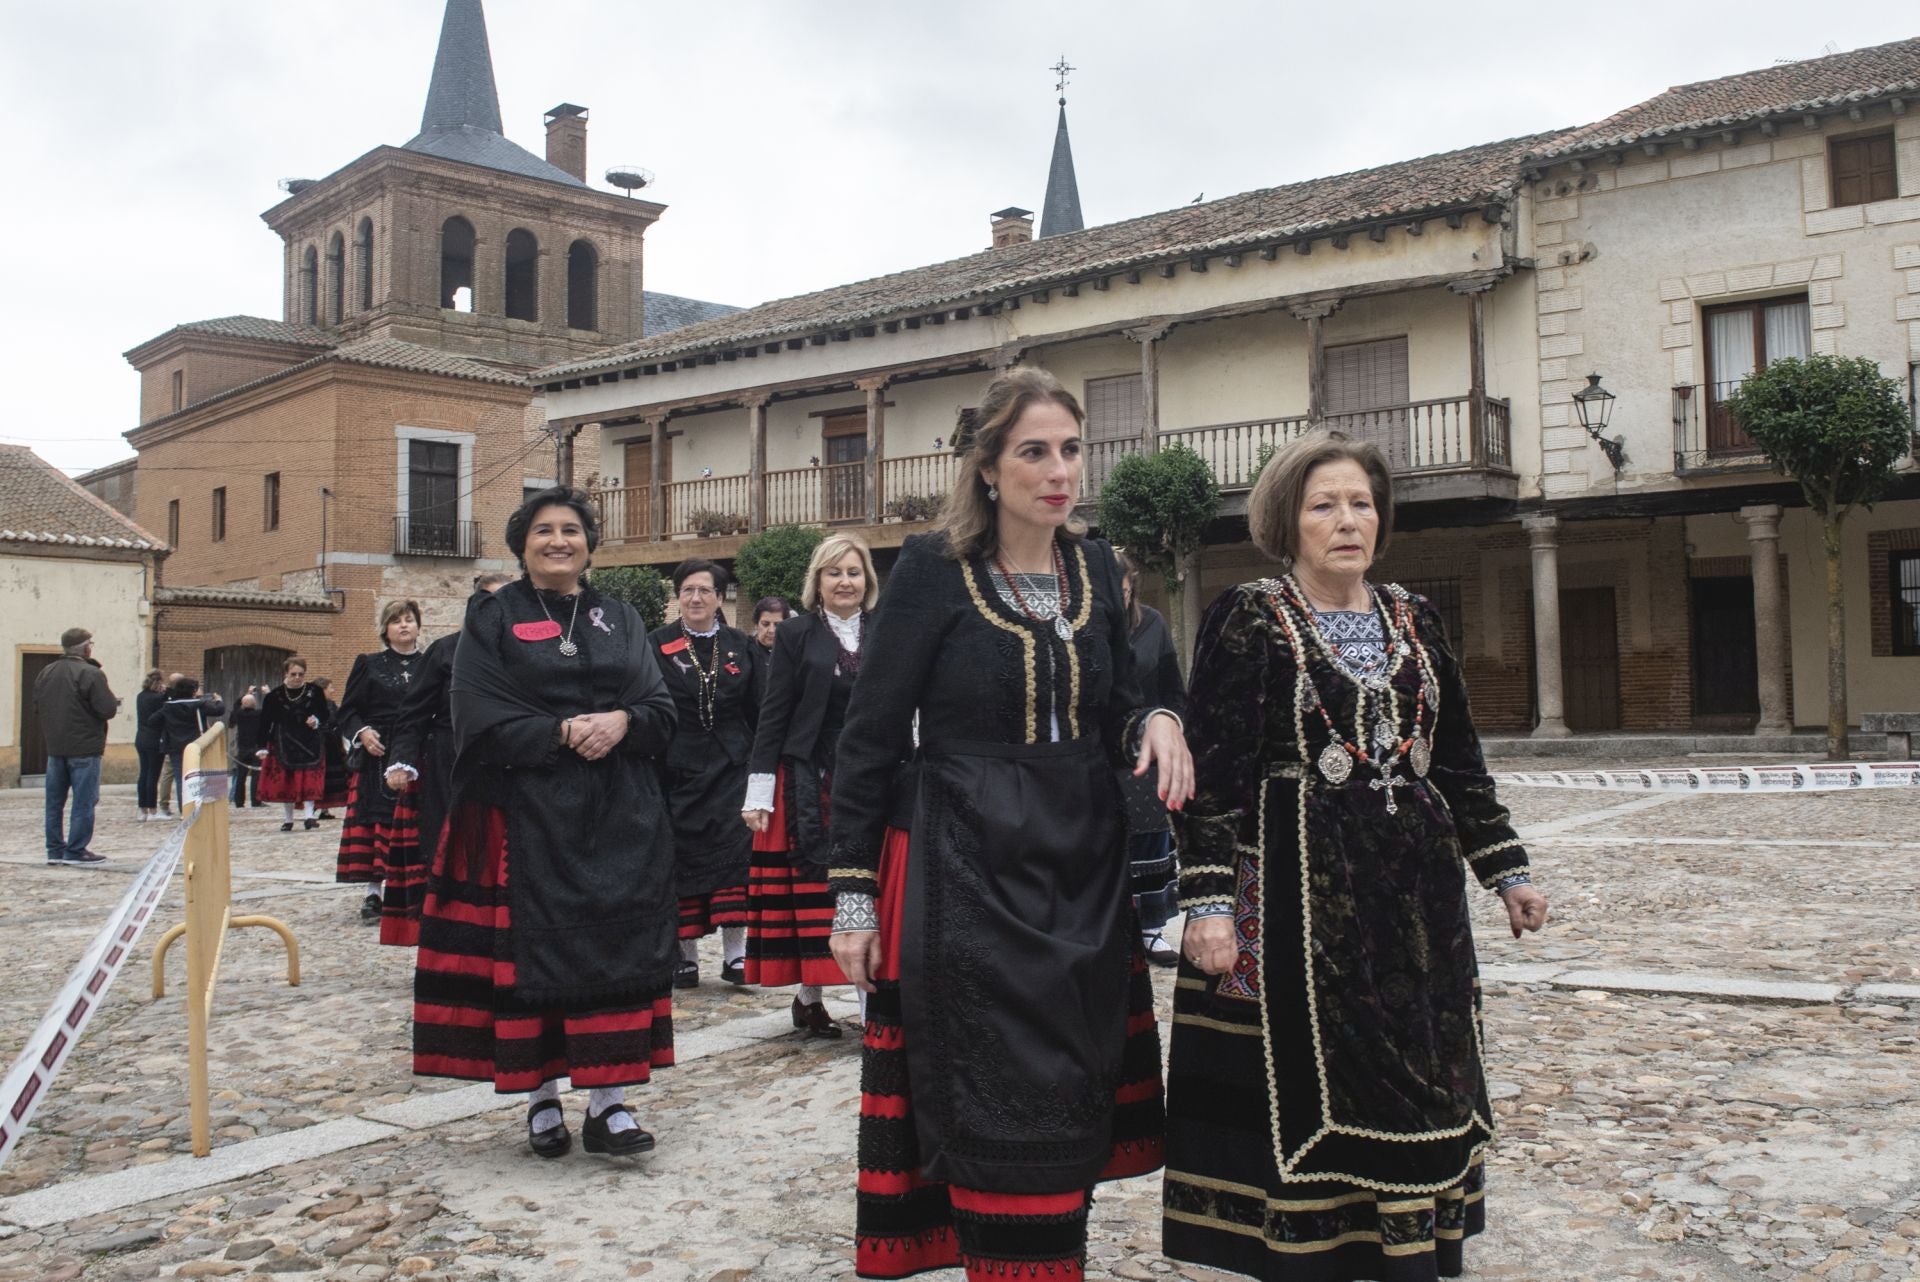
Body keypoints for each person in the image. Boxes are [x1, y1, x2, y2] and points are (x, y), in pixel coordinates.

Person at [826, 367, 1193, 1280]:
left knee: (1072, 1086)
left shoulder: (1099, 568)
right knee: (991, 1093)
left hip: (1084, 862)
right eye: (1034, 451)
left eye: (1071, 449)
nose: (1058, 470)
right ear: (988, 467)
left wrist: (1155, 717)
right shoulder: (931, 571)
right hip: (967, 861)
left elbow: (1122, 700)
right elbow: (869, 738)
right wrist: (854, 899)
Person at [1161, 433, 1550, 1282]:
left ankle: (1407, 1257)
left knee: (1427, 1078)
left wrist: (1506, 869)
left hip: (1416, 903)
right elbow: (1214, 772)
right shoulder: (1252, 616)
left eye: (1362, 503)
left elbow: (1457, 758)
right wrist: (1211, 902)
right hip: (1298, 893)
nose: (1348, 521)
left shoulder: (1417, 618)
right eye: (1324, 505)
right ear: (1287, 521)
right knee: (1312, 1088)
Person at [412, 487, 678, 1160]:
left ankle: (610, 1105)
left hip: (620, 817)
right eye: (543, 531)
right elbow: (475, 711)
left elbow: (660, 707)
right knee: (531, 964)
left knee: (617, 955)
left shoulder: (620, 617)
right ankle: (540, 1102)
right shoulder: (492, 618)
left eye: (571, 530)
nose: (559, 540)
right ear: (521, 544)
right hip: (526, 818)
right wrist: (561, 731)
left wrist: (622, 721)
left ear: (589, 543)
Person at [740, 534, 876, 1038]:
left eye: (854, 572)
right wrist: (758, 792)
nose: (845, 581)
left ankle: (870, 1007)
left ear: (868, 581)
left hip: (874, 773)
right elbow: (774, 713)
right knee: (819, 888)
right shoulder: (797, 635)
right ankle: (811, 994)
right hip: (811, 774)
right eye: (834, 572)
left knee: (873, 888)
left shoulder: (885, 630)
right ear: (817, 582)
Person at [381, 572, 515, 945]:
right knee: (453, 849)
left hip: (514, 761)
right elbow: (413, 714)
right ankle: (451, 938)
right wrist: (403, 759)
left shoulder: (529, 650)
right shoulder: (445, 650)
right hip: (449, 764)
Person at [650, 560, 765, 989]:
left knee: (736, 859)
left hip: (733, 768)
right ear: (677, 597)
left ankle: (736, 955)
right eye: (687, 591)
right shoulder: (655, 644)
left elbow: (763, 708)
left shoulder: (741, 646)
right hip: (678, 771)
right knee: (680, 861)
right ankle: (685, 957)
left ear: (720, 597)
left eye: (705, 590)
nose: (695, 598)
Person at [1115, 551, 1187, 967]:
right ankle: (1117, 931)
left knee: (1152, 841)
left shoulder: (1153, 625)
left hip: (1148, 752)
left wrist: (1175, 728)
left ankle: (1153, 931)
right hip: (1105, 755)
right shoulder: (1090, 627)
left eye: (1125, 592)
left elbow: (1171, 687)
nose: (1119, 600)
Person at [334, 600, 426, 925]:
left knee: (416, 823)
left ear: (418, 626)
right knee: (380, 823)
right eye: (396, 621)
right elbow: (347, 710)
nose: (404, 625)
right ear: (385, 629)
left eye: (409, 620)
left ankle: (418, 891)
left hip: (419, 752)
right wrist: (362, 731)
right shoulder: (369, 664)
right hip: (378, 752)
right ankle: (374, 892)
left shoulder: (432, 663)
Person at [34, 627, 120, 866]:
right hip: (85, 747)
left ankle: (54, 849)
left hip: (55, 747)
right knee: (84, 800)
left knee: (54, 802)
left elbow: (37, 707)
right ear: (85, 647)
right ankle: (76, 849)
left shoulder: (46, 672)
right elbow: (107, 709)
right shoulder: (90, 673)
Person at [257, 656, 328, 831]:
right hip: (283, 741)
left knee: (309, 778)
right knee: (286, 781)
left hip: (309, 741)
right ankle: (288, 819)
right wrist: (261, 746)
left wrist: (316, 720)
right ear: (286, 673)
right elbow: (265, 722)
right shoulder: (274, 696)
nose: (297, 677)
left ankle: (309, 816)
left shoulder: (314, 691)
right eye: (293, 674)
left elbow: (324, 713)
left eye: (301, 674)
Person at [149, 676, 226, 813]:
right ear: (193, 691)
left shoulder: (169, 706)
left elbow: (153, 720)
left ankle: (184, 810)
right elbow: (219, 710)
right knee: (199, 777)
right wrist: (218, 700)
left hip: (175, 746)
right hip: (197, 745)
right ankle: (198, 806)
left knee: (181, 779)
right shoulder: (199, 704)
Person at [310, 676, 350, 820]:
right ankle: (313, 807)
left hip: (333, 747)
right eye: (330, 688)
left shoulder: (331, 704)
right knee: (318, 777)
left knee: (329, 779)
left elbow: (340, 720)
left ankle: (324, 809)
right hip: (319, 747)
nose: (332, 690)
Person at [134, 669, 167, 821]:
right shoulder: (158, 699)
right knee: (153, 775)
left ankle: (142, 809)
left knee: (144, 773)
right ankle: (153, 809)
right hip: (154, 739)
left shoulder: (140, 696)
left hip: (140, 738)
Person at [230, 690, 265, 807]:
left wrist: (245, 693)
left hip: (242, 749)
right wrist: (267, 694)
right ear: (254, 704)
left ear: (243, 704)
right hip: (256, 748)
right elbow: (270, 708)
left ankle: (239, 802)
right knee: (256, 776)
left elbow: (235, 706)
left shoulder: (239, 714)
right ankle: (255, 801)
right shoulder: (259, 714)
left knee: (241, 776)